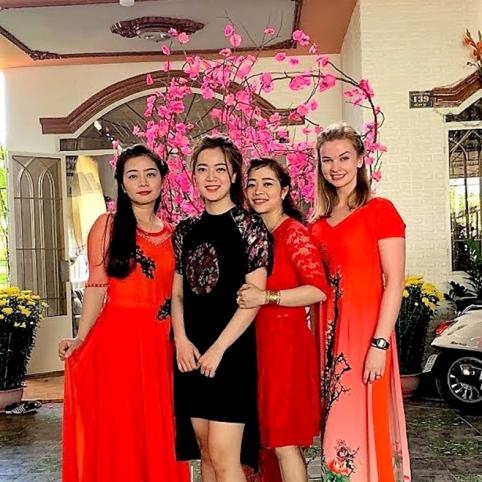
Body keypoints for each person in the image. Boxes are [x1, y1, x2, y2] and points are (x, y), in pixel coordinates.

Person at [59, 145, 190, 482]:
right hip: (117, 344)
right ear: (122, 183)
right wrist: (81, 338)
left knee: (161, 429)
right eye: (133, 176)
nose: (142, 182)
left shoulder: (176, 234)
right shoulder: (107, 226)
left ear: (163, 180)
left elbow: (181, 296)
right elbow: (95, 286)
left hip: (162, 346)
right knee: (121, 430)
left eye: (150, 174)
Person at [309, 122, 411, 482]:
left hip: (367, 336)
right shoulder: (316, 224)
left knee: (366, 421)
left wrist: (380, 344)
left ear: (360, 160)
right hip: (326, 340)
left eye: (344, 158)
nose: (335, 167)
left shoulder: (380, 211)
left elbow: (394, 280)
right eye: (327, 160)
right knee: (335, 428)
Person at [172, 136, 272, 482]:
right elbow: (178, 295)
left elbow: (252, 299)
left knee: (224, 456)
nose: (211, 177)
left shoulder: (250, 227)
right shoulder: (185, 230)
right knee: (205, 453)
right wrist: (181, 340)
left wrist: (218, 349)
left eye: (220, 168)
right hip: (190, 354)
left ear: (234, 175)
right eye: (203, 169)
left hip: (232, 353)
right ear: (194, 177)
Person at [237, 158, 327, 482]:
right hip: (254, 347)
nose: (258, 191)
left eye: (268, 183)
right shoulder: (251, 234)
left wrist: (267, 297)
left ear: (285, 190)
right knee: (259, 443)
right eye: (252, 184)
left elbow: (318, 290)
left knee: (284, 442)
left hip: (286, 350)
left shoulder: (294, 234)